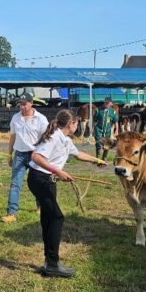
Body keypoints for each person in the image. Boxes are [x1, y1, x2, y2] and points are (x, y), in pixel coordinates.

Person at [27, 109, 106, 277]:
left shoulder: (65, 140)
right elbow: (36, 157)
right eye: (77, 123)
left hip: (47, 180)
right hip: (39, 179)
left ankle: (49, 262)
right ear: (71, 124)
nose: (78, 126)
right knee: (56, 217)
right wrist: (57, 171)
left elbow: (78, 154)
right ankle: (53, 263)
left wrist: (96, 160)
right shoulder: (55, 137)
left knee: (48, 218)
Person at [1, 92, 49, 223]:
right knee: (15, 183)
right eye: (20, 104)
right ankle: (11, 213)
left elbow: (46, 138)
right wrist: (9, 154)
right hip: (20, 155)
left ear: (31, 103)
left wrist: (43, 155)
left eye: (24, 104)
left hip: (35, 155)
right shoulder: (15, 118)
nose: (21, 107)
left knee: (37, 183)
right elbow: (13, 137)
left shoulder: (41, 119)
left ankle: (40, 206)